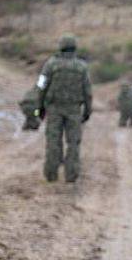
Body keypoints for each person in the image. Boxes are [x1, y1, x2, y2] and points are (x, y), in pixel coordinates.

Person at [37, 35, 91, 182]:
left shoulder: (50, 65)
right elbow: (88, 91)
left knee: (53, 141)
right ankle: (71, 174)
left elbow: (41, 87)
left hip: (54, 109)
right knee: (73, 143)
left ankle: (51, 173)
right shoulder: (82, 67)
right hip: (74, 110)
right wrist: (87, 111)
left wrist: (39, 107)